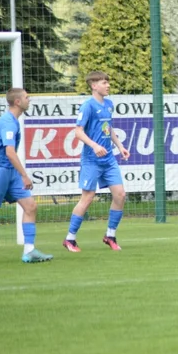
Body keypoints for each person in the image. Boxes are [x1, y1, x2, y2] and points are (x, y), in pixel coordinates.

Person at [0, 88, 52, 265]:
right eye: (27, 97)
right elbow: (10, 152)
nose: (30, 99)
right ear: (18, 102)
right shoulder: (8, 123)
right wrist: (24, 175)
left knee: (30, 206)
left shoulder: (13, 121)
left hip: (9, 172)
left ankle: (29, 251)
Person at [63, 71, 131, 253]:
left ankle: (110, 235)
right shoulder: (88, 106)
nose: (108, 85)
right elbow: (78, 131)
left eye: (108, 82)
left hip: (109, 159)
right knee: (87, 198)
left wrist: (120, 146)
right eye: (103, 82)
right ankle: (70, 239)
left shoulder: (109, 104)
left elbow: (108, 128)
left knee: (120, 195)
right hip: (92, 160)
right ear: (94, 86)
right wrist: (93, 145)